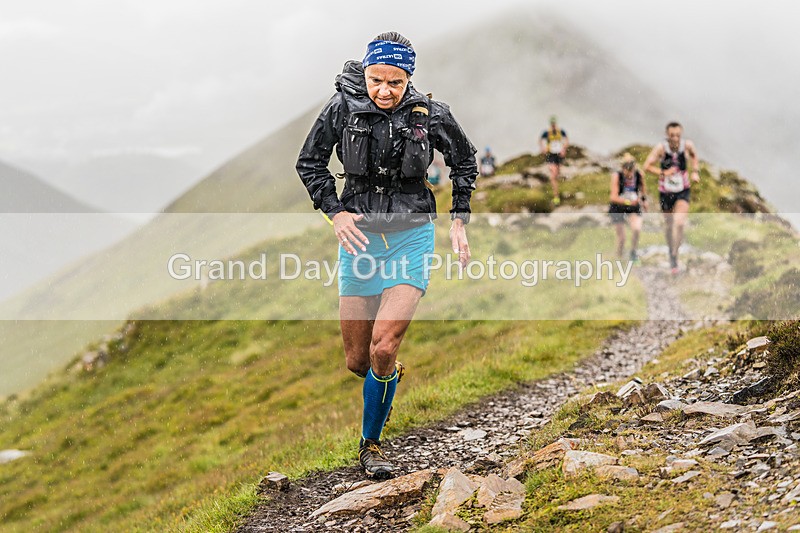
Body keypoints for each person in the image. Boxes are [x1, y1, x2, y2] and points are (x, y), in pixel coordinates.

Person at [296, 31, 477, 479]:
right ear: (366, 72)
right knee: (359, 362)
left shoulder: (430, 115)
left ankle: (370, 446)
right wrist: (335, 213)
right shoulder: (341, 107)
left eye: (395, 82)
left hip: (411, 236)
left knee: (383, 345)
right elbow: (310, 163)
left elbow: (465, 162)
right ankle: (387, 377)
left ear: (409, 78)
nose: (384, 91)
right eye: (377, 79)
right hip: (359, 240)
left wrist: (458, 219)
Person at [642, 122, 700, 274]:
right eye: (672, 135)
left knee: (679, 223)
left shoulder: (687, 146)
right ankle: (671, 251)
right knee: (669, 226)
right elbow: (647, 166)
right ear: (667, 135)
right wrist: (663, 173)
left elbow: (694, 156)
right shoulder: (661, 148)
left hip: (682, 190)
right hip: (666, 192)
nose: (675, 138)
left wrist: (695, 171)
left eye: (678, 135)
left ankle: (675, 253)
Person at [609, 153, 648, 262]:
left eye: (631, 171)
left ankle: (633, 252)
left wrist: (644, 201)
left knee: (636, 229)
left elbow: (643, 188)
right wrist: (628, 202)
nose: (629, 174)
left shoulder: (639, 175)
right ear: (622, 169)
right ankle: (618, 257)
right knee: (622, 238)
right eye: (627, 171)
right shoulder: (617, 176)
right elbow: (613, 197)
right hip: (618, 207)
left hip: (633, 206)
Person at [539, 116, 569, 206]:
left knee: (557, 175)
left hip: (559, 155)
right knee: (553, 175)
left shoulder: (561, 131)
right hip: (551, 155)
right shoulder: (546, 132)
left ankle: (557, 192)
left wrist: (564, 149)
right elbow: (540, 140)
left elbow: (567, 140)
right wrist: (543, 148)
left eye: (554, 123)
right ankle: (556, 197)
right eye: (551, 124)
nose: (553, 125)